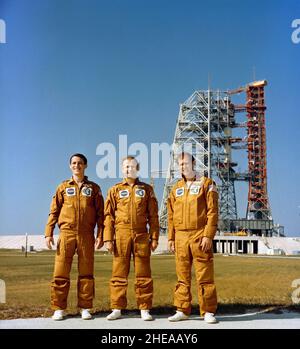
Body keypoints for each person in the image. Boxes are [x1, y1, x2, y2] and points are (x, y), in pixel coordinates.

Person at [45, 153, 104, 320]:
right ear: (70, 166)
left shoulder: (94, 188)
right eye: (74, 163)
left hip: (86, 235)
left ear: (85, 166)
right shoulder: (63, 187)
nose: (76, 166)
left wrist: (100, 235)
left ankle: (85, 307)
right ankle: (59, 308)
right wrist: (48, 233)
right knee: (60, 272)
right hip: (66, 234)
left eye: (80, 163)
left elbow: (101, 215)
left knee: (86, 273)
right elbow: (54, 211)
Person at [103, 156, 159, 321]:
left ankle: (144, 308)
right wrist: (108, 238)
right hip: (121, 234)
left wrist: (154, 237)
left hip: (141, 235)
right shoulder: (115, 190)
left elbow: (153, 216)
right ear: (122, 169)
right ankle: (117, 308)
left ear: (138, 168)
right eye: (126, 167)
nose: (129, 169)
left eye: (133, 166)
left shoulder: (147, 189)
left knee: (143, 273)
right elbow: (108, 216)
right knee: (119, 273)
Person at [167, 152, 219, 323]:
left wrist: (208, 235)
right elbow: (171, 215)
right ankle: (182, 309)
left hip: (199, 234)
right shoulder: (176, 188)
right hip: (181, 236)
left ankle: (208, 311)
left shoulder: (206, 183)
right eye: (180, 164)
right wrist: (171, 238)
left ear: (193, 163)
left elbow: (212, 212)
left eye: (186, 162)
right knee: (182, 276)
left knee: (204, 275)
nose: (183, 166)